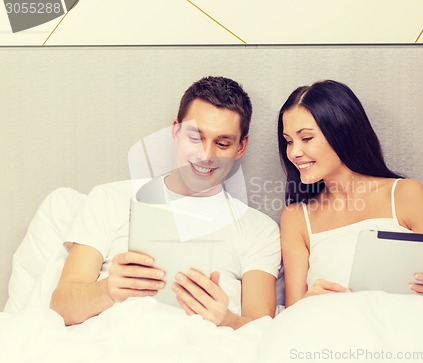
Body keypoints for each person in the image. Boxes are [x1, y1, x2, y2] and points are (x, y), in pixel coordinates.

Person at [50, 76, 281, 328]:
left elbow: (261, 331)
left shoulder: (259, 231)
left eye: (222, 143)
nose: (206, 155)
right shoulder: (109, 199)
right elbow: (61, 307)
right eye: (195, 138)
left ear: (240, 147)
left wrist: (225, 319)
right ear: (176, 132)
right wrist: (107, 290)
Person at [277, 79, 423, 308]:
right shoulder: (296, 217)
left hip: (410, 326)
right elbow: (291, 312)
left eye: (306, 138)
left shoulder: (406, 194)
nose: (294, 152)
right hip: (337, 329)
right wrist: (309, 302)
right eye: (288, 141)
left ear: (341, 132)